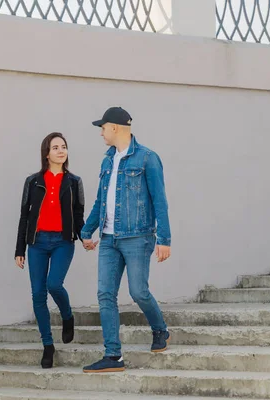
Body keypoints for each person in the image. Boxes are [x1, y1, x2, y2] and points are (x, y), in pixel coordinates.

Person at [81, 107, 172, 373]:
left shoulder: (147, 159)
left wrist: (164, 239)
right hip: (109, 238)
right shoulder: (107, 161)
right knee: (105, 294)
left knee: (138, 291)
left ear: (116, 127)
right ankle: (113, 355)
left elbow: (160, 200)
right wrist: (87, 231)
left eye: (103, 128)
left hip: (137, 237)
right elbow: (101, 200)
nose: (101, 133)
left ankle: (160, 330)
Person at [14, 132, 85, 369]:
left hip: (63, 241)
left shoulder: (74, 181)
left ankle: (67, 317)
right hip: (37, 243)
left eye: (63, 146)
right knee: (38, 294)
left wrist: (84, 237)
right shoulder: (33, 181)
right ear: (47, 153)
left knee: (54, 284)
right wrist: (19, 249)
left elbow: (78, 216)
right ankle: (48, 345)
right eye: (55, 147)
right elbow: (25, 216)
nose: (60, 150)